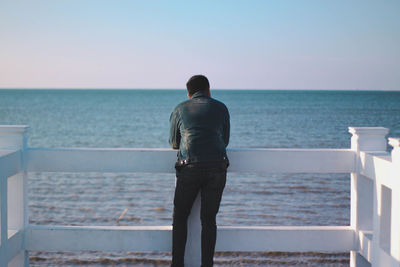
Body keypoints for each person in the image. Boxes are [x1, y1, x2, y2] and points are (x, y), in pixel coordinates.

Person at [169, 75, 230, 267]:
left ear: (189, 93)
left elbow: (174, 143)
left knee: (180, 217)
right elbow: (225, 140)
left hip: (190, 168)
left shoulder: (180, 108)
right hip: (217, 167)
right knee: (209, 220)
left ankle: (177, 264)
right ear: (208, 90)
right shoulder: (221, 108)